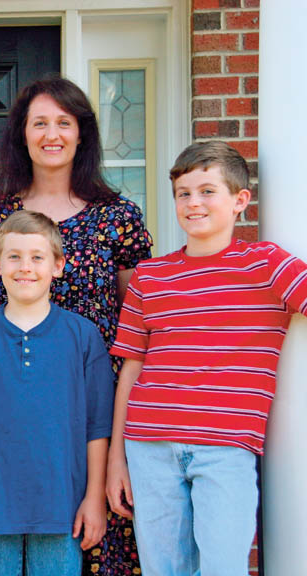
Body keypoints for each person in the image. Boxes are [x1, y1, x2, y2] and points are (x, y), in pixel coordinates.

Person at [0, 75, 152, 573]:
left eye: (64, 122)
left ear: (82, 133)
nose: (52, 133)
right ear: (21, 134)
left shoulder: (119, 216)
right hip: (17, 403)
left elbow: (137, 314)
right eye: (39, 122)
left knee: (88, 537)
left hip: (96, 401)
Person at [106, 141, 307, 576]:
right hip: (149, 443)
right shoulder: (150, 275)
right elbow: (131, 369)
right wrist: (116, 459)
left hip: (226, 446)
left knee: (224, 567)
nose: (193, 203)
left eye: (207, 191)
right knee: (165, 570)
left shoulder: (267, 264)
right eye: (184, 193)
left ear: (239, 200)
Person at [0, 210, 115, 576]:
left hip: (61, 506)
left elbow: (98, 427)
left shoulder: (83, 337)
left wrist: (94, 497)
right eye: (14, 257)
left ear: (58, 266)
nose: (25, 267)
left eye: (37, 257)